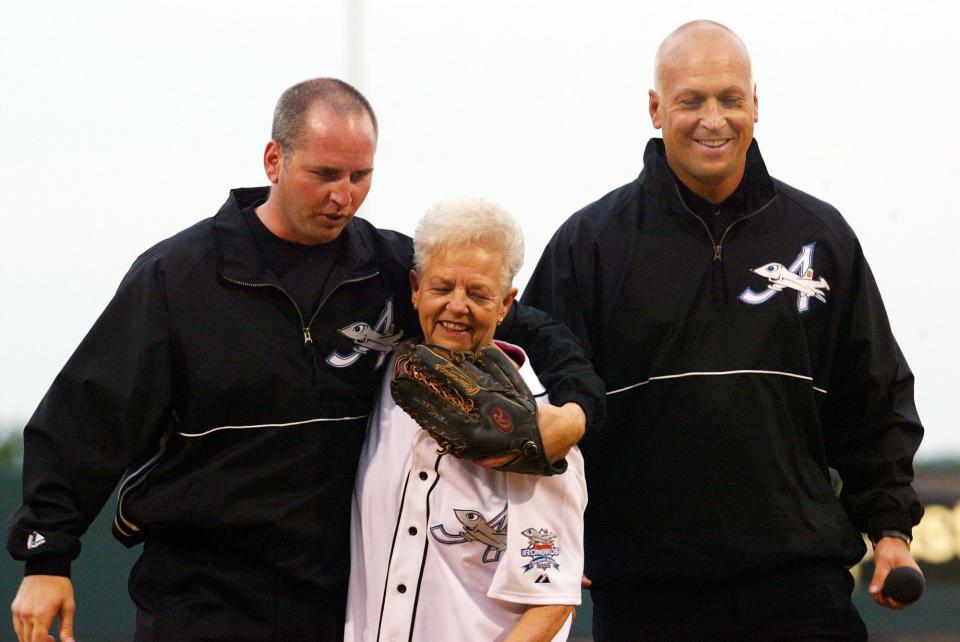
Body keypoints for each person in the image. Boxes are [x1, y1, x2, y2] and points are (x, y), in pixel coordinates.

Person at [7, 79, 604, 642]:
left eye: (360, 175)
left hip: (333, 602)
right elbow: (89, 413)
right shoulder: (179, 278)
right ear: (274, 160)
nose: (343, 195)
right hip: (201, 596)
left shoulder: (391, 270)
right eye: (324, 174)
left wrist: (576, 408)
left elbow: (527, 325)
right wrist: (46, 558)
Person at [522, 20, 924, 641]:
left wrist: (891, 530)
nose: (714, 119)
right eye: (692, 100)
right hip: (648, 595)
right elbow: (537, 404)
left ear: (756, 104)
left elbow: (874, 396)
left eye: (730, 99)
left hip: (801, 590)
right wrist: (547, 540)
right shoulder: (589, 245)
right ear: (656, 109)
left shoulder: (821, 235)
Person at [345, 197, 586, 642]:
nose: (457, 306)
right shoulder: (373, 383)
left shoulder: (540, 427)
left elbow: (552, 599)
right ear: (414, 288)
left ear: (505, 304)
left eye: (478, 293)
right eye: (441, 288)